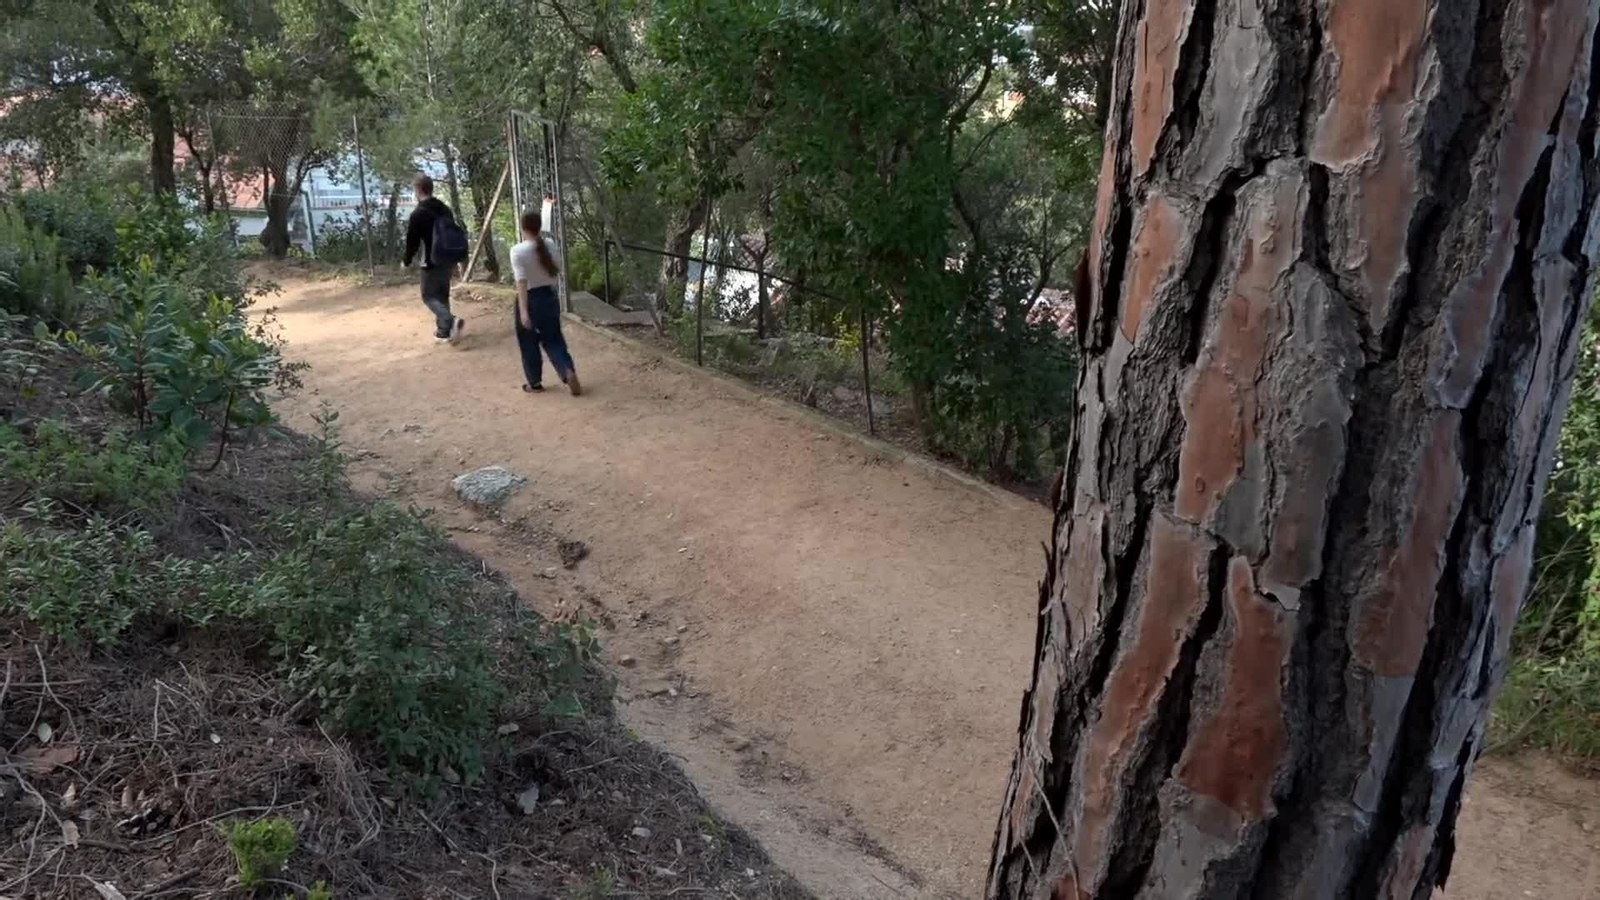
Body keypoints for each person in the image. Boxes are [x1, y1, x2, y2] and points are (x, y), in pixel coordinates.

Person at [511, 208, 581, 395]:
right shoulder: (550, 244)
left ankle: (534, 383)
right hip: (550, 298)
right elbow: (557, 269)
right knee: (554, 339)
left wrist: (524, 311)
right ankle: (567, 370)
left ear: (523, 226)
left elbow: (522, 283)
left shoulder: (517, 251)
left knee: (529, 342)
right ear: (539, 226)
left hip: (531, 299)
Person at [402, 174, 466, 345]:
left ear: (418, 189)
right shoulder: (445, 208)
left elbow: (412, 241)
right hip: (448, 256)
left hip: (430, 259)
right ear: (431, 188)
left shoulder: (418, 213)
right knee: (442, 294)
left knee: (428, 295)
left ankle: (450, 320)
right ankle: (443, 331)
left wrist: (406, 260)